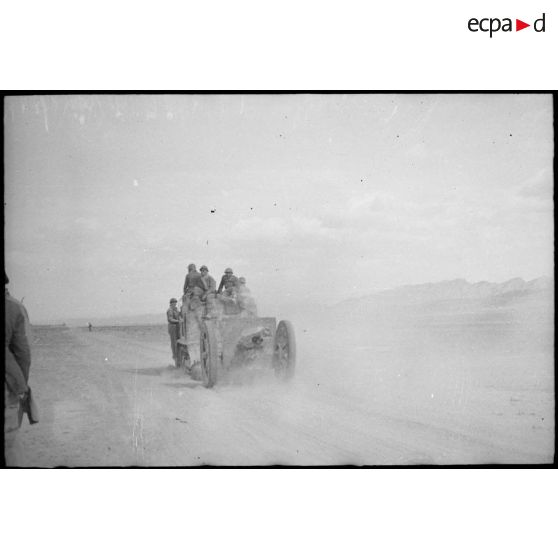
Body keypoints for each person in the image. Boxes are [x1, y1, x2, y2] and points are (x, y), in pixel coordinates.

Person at [5, 272, 33, 466]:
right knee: (10, 445)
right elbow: (23, 353)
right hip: (8, 388)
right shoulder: (14, 308)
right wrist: (21, 386)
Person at [166, 298, 181, 365]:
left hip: (177, 327)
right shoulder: (170, 310)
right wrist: (178, 321)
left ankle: (178, 358)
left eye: (175, 303)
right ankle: (175, 358)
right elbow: (170, 319)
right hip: (172, 327)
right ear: (171, 303)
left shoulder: (176, 310)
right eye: (173, 303)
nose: (175, 304)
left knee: (178, 342)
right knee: (174, 343)